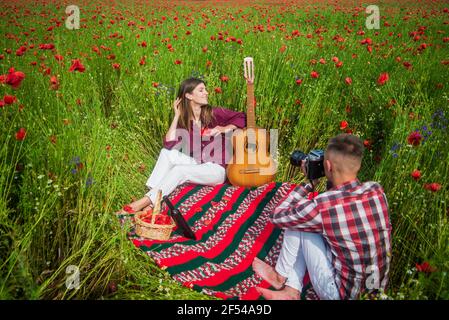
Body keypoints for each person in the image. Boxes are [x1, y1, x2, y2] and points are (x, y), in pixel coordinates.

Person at [252, 133, 391, 300]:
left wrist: (309, 183)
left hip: (340, 295)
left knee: (299, 221)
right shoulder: (376, 190)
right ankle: (290, 290)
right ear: (358, 165)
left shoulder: (322, 207)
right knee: (309, 221)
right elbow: (343, 204)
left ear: (328, 165)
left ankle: (280, 276)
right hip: (374, 291)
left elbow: (277, 216)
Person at [118, 77, 246, 213]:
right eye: (201, 90)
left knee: (180, 170)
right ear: (189, 95)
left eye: (206, 90)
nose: (207, 93)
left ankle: (139, 204)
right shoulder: (185, 122)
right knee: (167, 154)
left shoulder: (213, 113)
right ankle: (152, 203)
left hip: (217, 169)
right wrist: (176, 116)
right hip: (199, 163)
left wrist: (224, 128)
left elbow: (242, 117)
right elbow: (168, 144)